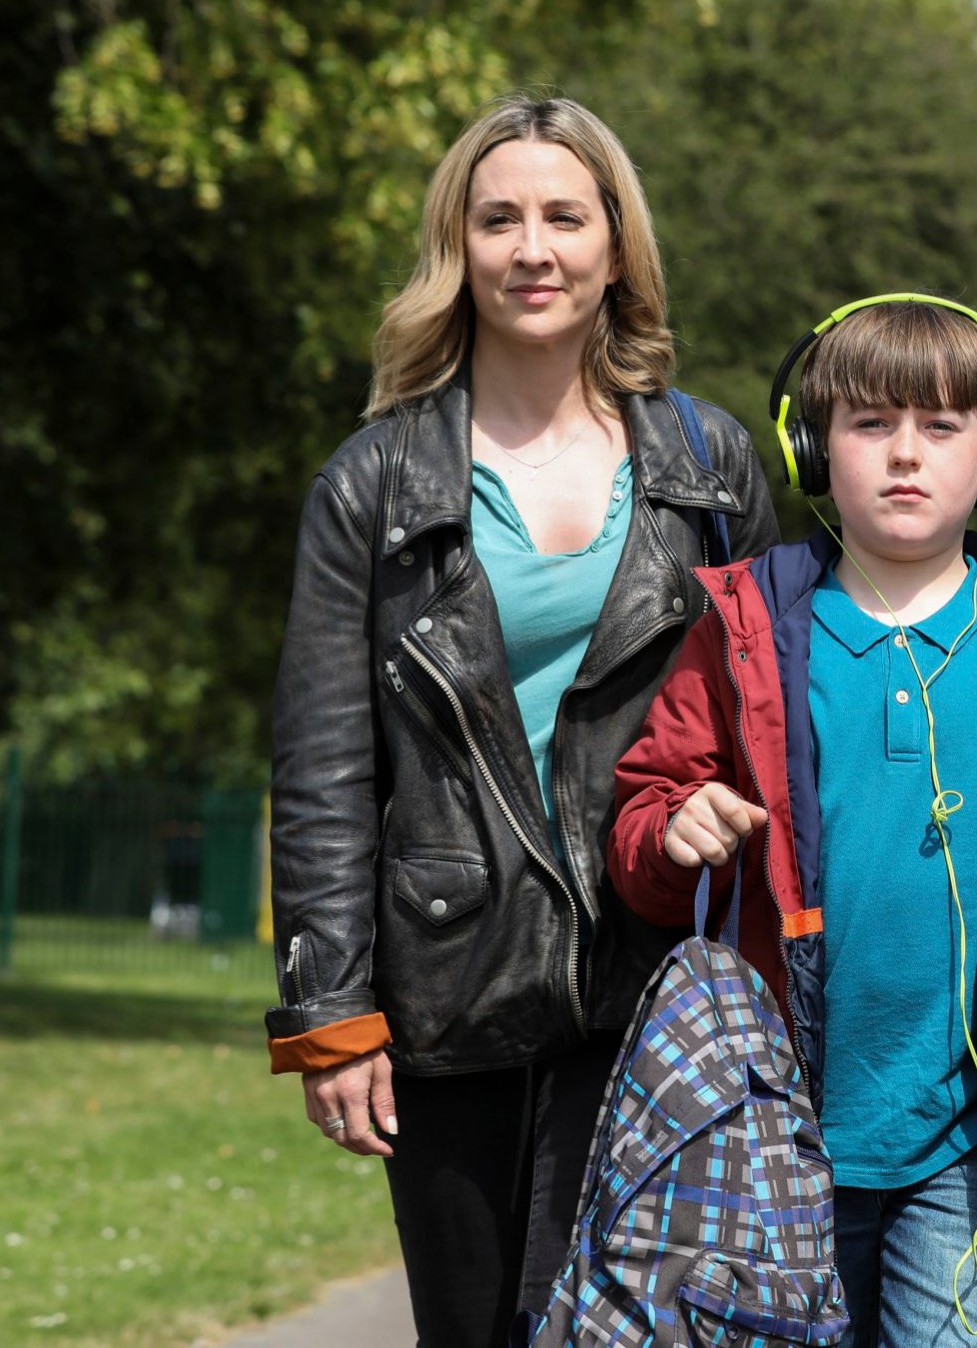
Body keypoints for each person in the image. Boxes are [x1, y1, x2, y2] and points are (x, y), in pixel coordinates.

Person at [262, 94, 780, 1346]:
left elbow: (768, 735)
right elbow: (325, 767)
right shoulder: (373, 481)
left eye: (565, 214)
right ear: (460, 247)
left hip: (658, 983)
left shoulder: (711, 467)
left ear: (616, 246)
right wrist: (328, 1018)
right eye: (498, 219)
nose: (531, 248)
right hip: (450, 989)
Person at [605, 298, 977, 1347]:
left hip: (971, 1151)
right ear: (811, 449)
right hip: (771, 1140)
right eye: (871, 425)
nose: (906, 456)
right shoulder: (744, 632)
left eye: (943, 427)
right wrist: (670, 830)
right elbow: (647, 822)